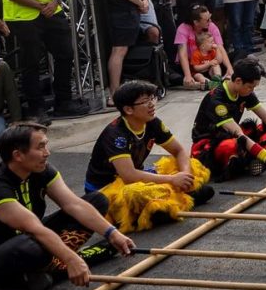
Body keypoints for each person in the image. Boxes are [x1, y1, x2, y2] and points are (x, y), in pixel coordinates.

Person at [0, 122, 134, 290]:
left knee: (97, 200)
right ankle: (64, 265)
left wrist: (112, 234)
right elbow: (34, 229)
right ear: (18, 155)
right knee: (31, 246)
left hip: (30, 235)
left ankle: (47, 268)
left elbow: (74, 205)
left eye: (46, 145)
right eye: (40, 147)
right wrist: (71, 258)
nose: (47, 153)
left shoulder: (40, 170)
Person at [84, 81, 213, 231]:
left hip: (138, 177)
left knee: (193, 165)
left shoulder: (152, 122)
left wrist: (184, 174)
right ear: (128, 109)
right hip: (108, 188)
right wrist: (172, 179)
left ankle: (170, 201)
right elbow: (129, 176)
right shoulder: (116, 134)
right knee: (135, 193)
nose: (152, 104)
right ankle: (170, 202)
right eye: (145, 102)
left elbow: (179, 151)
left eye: (152, 98)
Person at [189, 59, 266, 180]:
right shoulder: (216, 100)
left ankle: (252, 159)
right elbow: (238, 134)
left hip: (231, 135)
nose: (252, 91)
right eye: (250, 87)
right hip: (208, 145)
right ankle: (255, 158)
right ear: (238, 81)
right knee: (232, 146)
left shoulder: (244, 92)